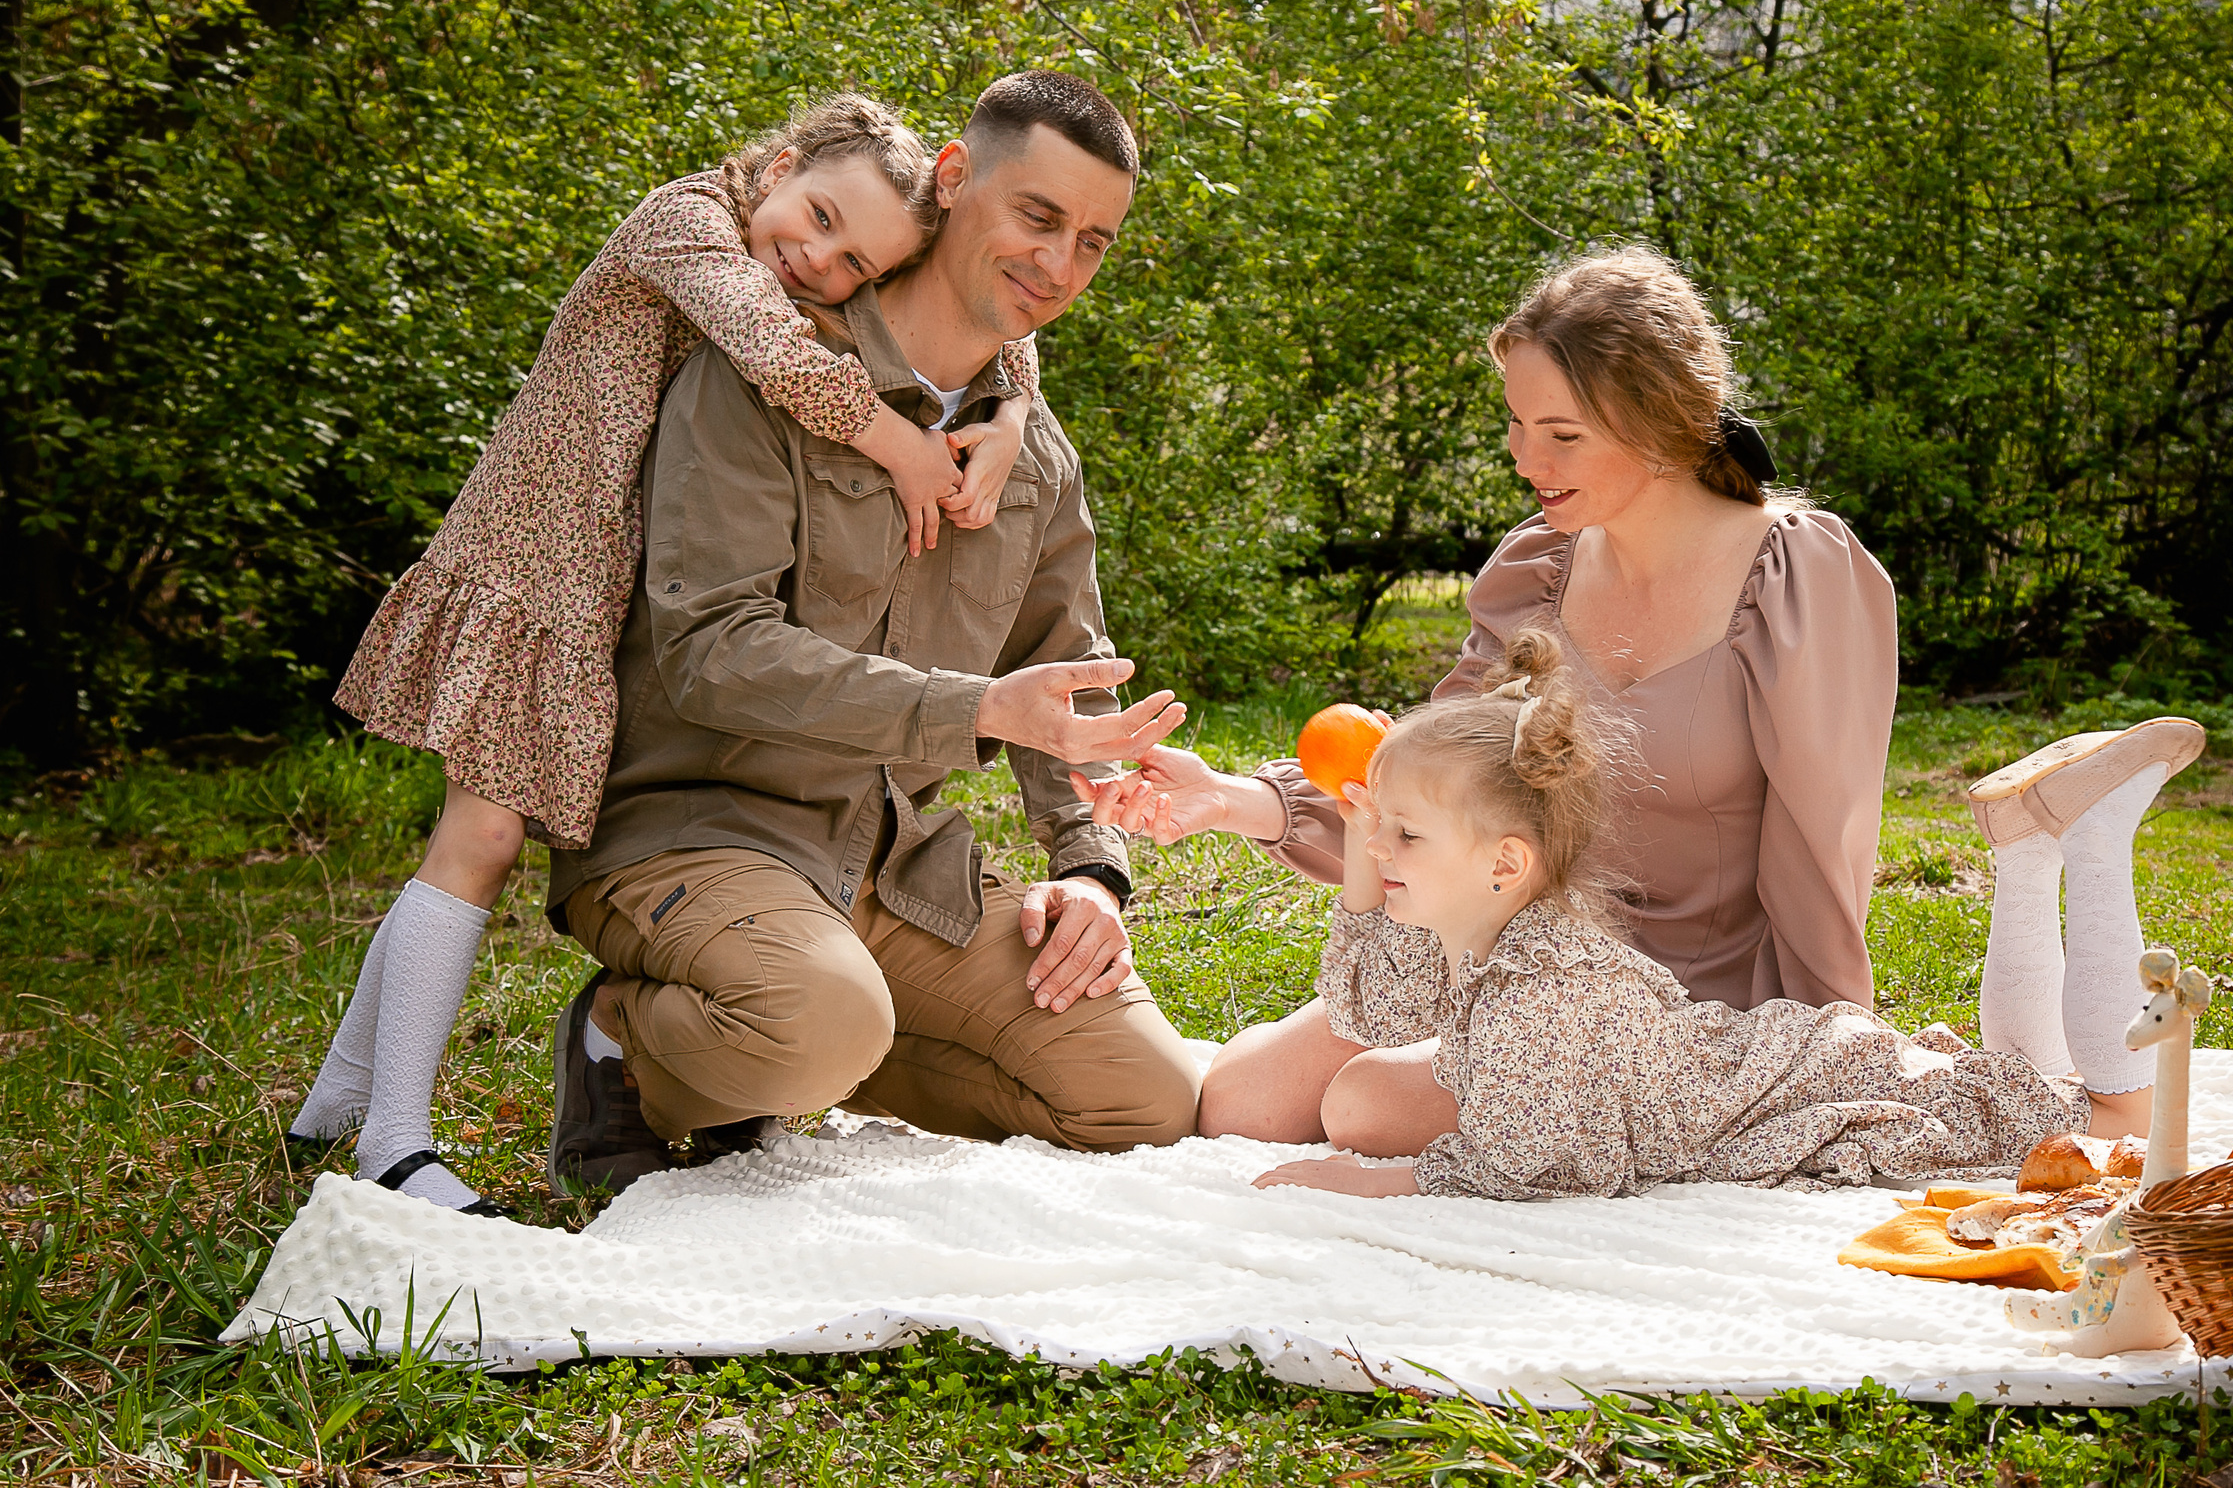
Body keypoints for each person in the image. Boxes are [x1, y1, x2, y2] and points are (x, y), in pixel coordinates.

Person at [292, 89, 1049, 1212]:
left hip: (616, 592)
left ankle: (338, 1101)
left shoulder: (800, 265)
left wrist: (1015, 415)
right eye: (822, 218)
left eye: (855, 265)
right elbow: (773, 353)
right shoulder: (683, 224)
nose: (822, 264)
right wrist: (901, 444)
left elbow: (991, 332)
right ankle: (394, 1148)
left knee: (480, 833)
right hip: (540, 570)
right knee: (483, 833)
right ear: (783, 162)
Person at [1081, 244, 1902, 1157]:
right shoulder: (1536, 567)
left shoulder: (1797, 574)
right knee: (1239, 1103)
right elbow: (1438, 774)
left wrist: (1824, 1050)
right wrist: (1237, 800)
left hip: (1687, 1005)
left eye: (1561, 435)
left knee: (1366, 1104)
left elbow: (1825, 846)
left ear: (1664, 423)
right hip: (1512, 959)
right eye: (1517, 423)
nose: (1525, 458)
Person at [541, 69, 1204, 1197]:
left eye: (1091, 241)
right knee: (816, 1026)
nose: (1057, 265)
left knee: (1140, 1101)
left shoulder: (1030, 455)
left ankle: (804, 1039)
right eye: (1036, 217)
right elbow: (709, 654)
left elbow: (1072, 681)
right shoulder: (765, 379)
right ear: (953, 181)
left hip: (895, 865)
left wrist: (1092, 873)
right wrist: (974, 707)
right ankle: (625, 1044)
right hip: (703, 830)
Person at [1236, 628, 2121, 1201]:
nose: (1381, 850)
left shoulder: (1537, 989)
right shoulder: (1483, 921)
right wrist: (1363, 838)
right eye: (1376, 829)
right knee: (2020, 1079)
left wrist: (1363, 1184)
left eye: (1404, 834)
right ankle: (2030, 854)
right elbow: (1372, 1010)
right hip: (1756, 1061)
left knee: (2071, 1122)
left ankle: (2058, 850)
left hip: (1799, 1080)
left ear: (1504, 862)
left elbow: (1545, 1167)